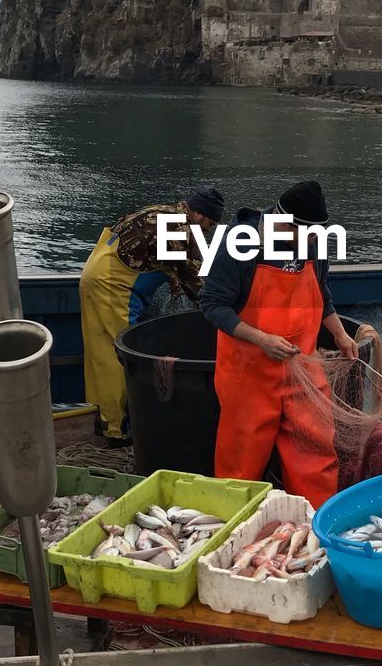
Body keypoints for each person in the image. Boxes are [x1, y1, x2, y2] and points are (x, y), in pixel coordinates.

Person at [200, 180, 357, 507]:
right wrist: (261, 340)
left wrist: (340, 334)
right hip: (249, 374)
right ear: (285, 224)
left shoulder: (313, 243)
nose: (314, 241)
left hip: (303, 369)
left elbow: (322, 293)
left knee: (316, 450)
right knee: (239, 464)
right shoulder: (240, 244)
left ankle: (316, 523)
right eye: (309, 234)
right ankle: (233, 522)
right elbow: (213, 305)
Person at [80, 185, 224, 443]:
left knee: (99, 353)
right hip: (113, 286)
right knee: (117, 356)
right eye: (209, 224)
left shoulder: (163, 212)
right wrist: (220, 313)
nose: (207, 231)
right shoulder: (179, 230)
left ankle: (105, 418)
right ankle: (117, 431)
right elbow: (195, 281)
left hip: (95, 273)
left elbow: (160, 258)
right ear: (200, 215)